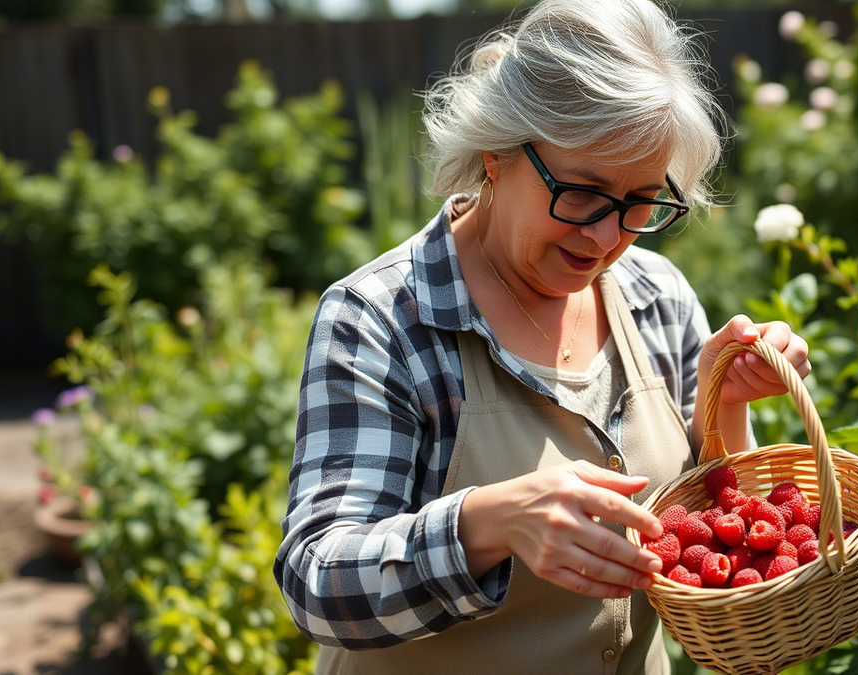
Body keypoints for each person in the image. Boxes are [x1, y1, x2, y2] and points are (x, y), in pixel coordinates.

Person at [273, 0, 811, 672]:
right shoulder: (384, 319)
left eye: (642, 200)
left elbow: (712, 525)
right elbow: (317, 584)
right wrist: (488, 521)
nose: (607, 236)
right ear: (496, 152)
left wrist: (724, 400)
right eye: (582, 192)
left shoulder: (655, 295)